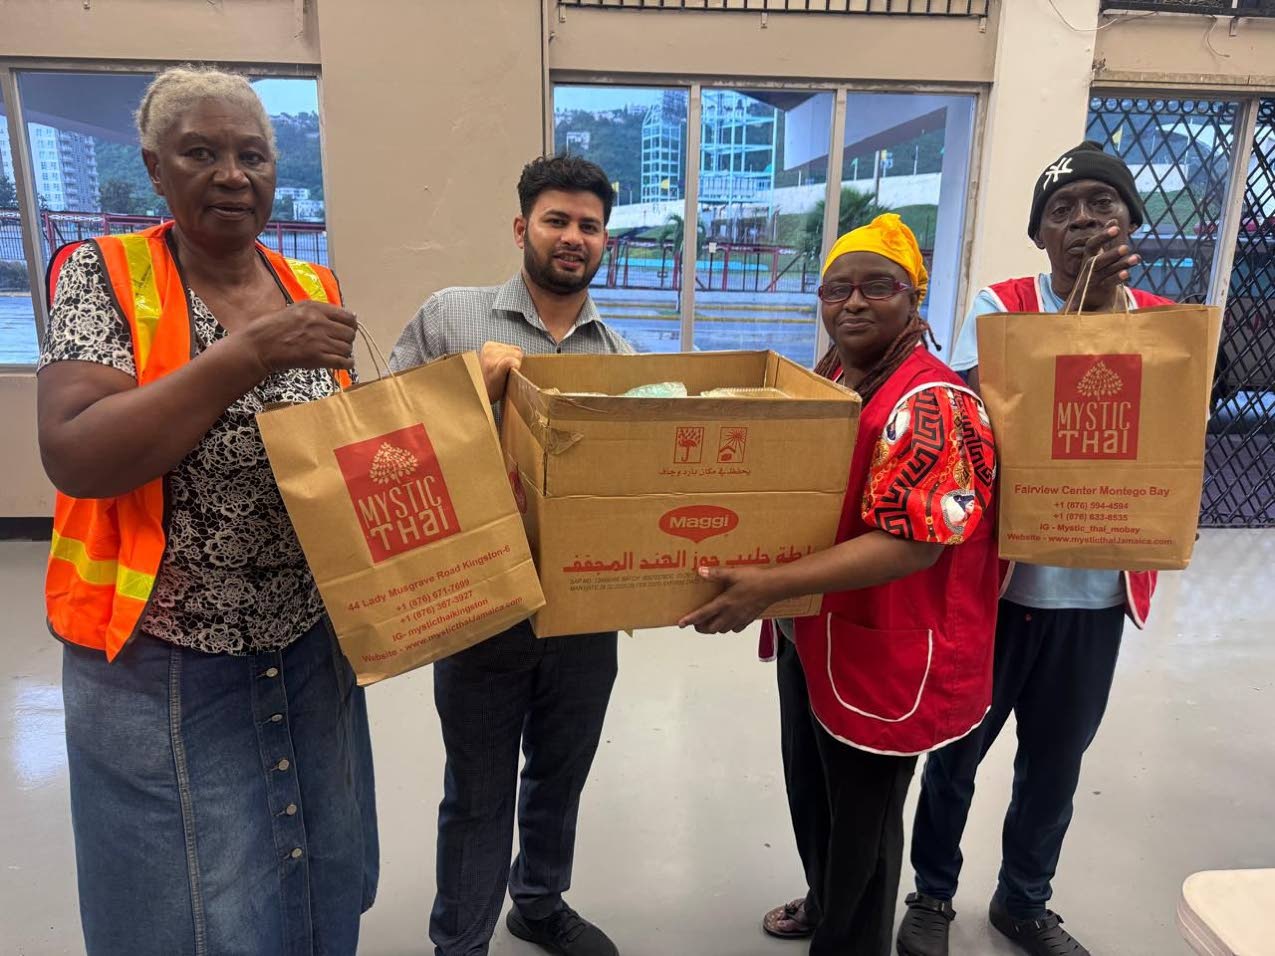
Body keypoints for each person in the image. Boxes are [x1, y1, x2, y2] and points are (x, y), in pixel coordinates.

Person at [37, 66, 379, 955]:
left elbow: (337, 443)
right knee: (188, 906)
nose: (232, 175)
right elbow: (77, 454)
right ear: (155, 168)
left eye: (252, 156)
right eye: (201, 153)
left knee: (314, 879)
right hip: (161, 651)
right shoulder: (104, 274)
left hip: (305, 639)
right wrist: (247, 353)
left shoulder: (308, 280)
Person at [680, 214, 1000, 956]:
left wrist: (767, 585)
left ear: (914, 298)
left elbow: (914, 544)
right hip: (814, 630)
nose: (853, 302)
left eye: (877, 287)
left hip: (886, 646)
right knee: (813, 789)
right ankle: (824, 899)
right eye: (836, 288)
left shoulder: (933, 402)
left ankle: (850, 937)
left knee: (865, 824)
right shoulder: (829, 378)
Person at [895, 142, 1170, 956]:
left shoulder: (1164, 324)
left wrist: (1111, 311)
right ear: (1039, 234)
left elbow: (1183, 420)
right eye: (1061, 209)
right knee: (957, 752)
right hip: (999, 586)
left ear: (1129, 221)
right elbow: (980, 414)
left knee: (1054, 764)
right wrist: (1080, 313)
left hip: (1097, 594)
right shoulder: (1001, 305)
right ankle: (931, 895)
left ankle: (1023, 901)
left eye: (1100, 204)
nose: (1082, 220)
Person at [389, 154, 632, 956]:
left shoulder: (619, 357)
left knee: (560, 774)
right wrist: (471, 385)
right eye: (557, 220)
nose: (573, 237)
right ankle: (459, 940)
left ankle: (537, 902)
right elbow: (380, 433)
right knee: (478, 788)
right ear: (522, 226)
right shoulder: (451, 318)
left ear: (604, 240)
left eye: (589, 226)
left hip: (582, 607)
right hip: (478, 595)